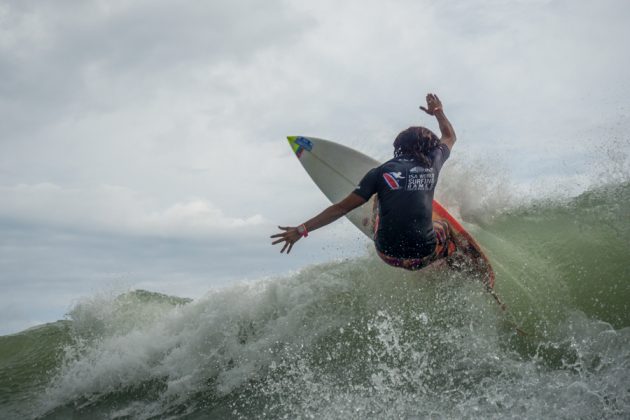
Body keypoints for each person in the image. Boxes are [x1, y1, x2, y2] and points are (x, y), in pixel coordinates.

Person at [271, 93, 457, 271]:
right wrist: (438, 111)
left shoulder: (380, 172)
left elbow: (340, 209)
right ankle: (452, 255)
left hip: (388, 256)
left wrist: (301, 230)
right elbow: (449, 136)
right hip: (424, 254)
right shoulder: (433, 162)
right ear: (429, 147)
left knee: (378, 196)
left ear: (399, 148)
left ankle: (376, 221)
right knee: (445, 227)